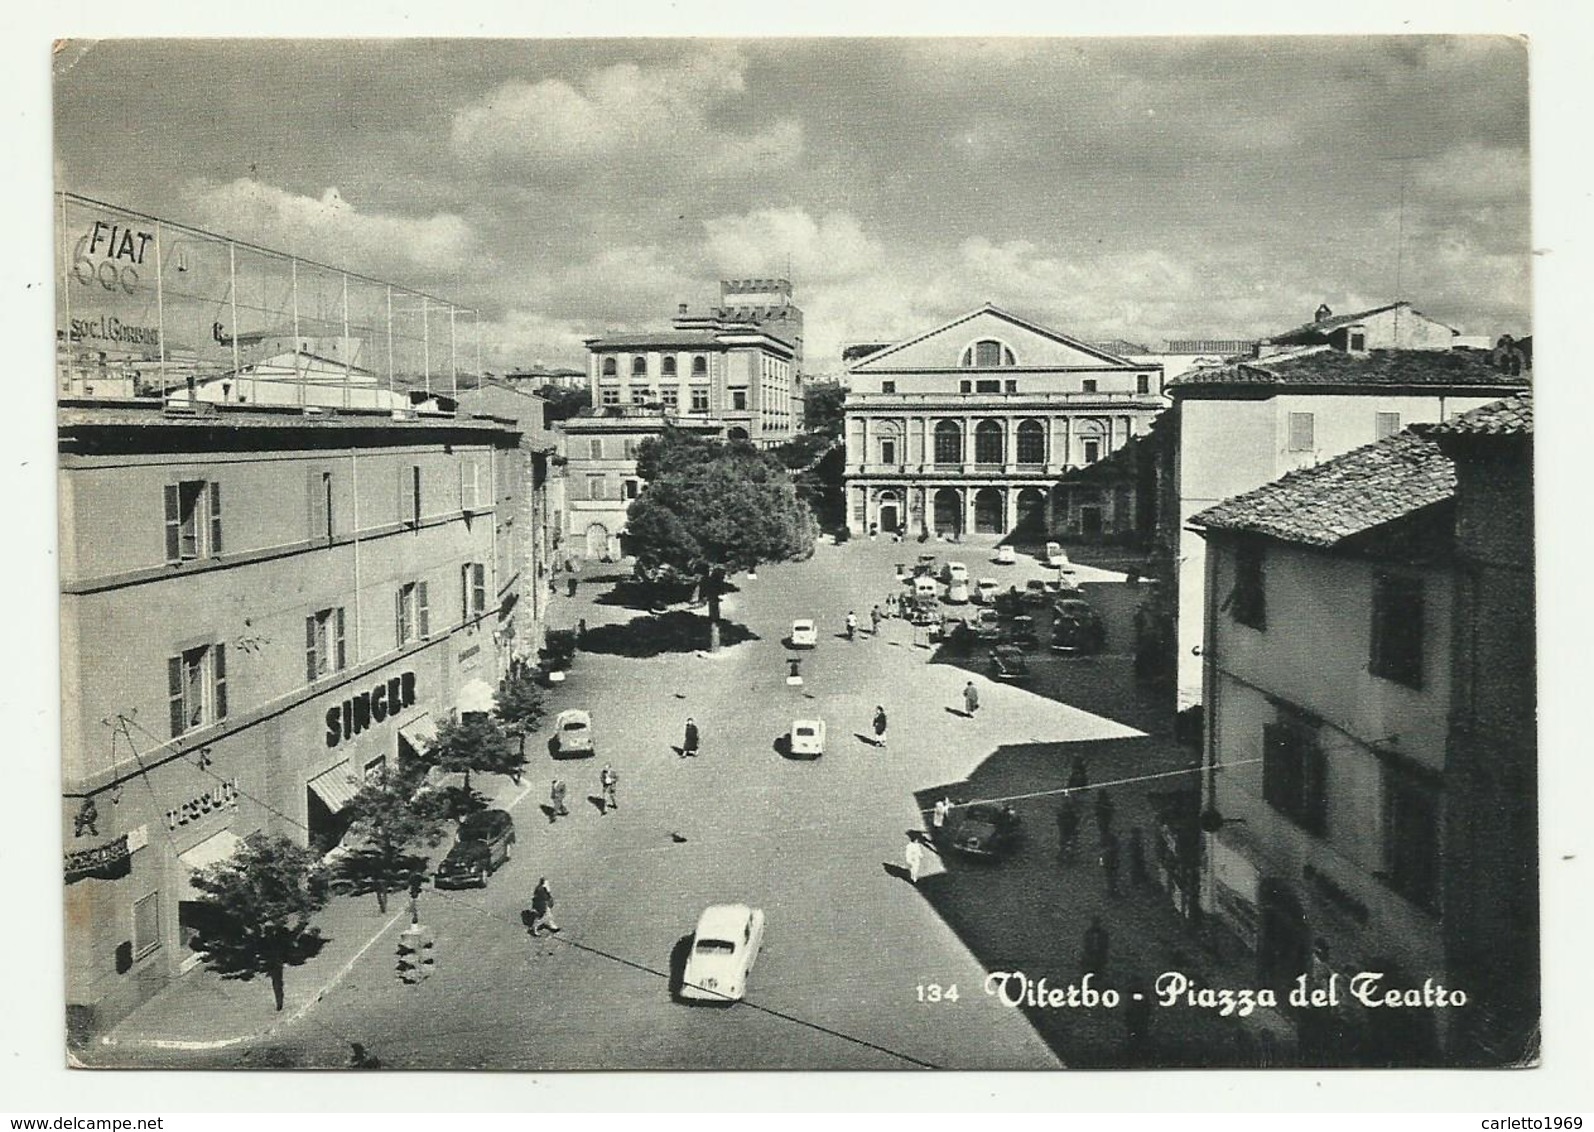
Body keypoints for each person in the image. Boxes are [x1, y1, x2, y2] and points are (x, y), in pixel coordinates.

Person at [1055, 794, 1081, 861]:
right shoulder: (1069, 812)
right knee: (1067, 841)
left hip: (1067, 827)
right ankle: (1065, 854)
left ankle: (1065, 855)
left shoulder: (1065, 812)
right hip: (1067, 827)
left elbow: (1059, 819)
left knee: (1066, 841)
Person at [1101, 831, 1122, 896]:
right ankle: (1111, 890)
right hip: (1109, 864)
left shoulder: (1107, 851)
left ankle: (1111, 889)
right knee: (1111, 877)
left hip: (1110, 864)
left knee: (1111, 877)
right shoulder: (1108, 851)